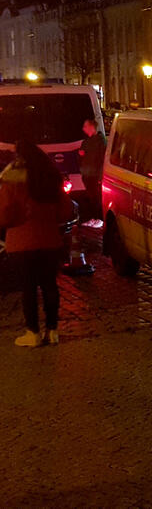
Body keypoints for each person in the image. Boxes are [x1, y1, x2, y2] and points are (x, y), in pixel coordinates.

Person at [0, 141, 74, 347]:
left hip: (21, 243)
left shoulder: (11, 180)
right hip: (49, 240)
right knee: (50, 285)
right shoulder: (49, 179)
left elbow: (3, 213)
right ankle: (52, 331)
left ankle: (32, 332)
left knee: (28, 288)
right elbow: (65, 211)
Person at [79, 118, 106, 227]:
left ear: (92, 127)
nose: (83, 129)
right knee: (91, 197)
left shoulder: (100, 141)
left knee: (97, 198)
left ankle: (99, 218)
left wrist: (100, 176)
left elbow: (102, 159)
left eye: (85, 126)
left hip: (95, 175)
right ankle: (93, 218)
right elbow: (82, 155)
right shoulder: (86, 142)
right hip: (87, 174)